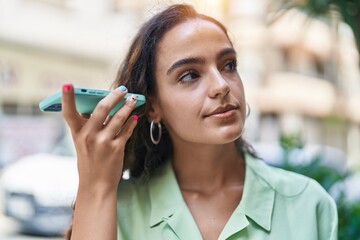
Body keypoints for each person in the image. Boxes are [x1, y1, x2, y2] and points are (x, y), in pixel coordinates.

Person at [62, 4, 338, 240]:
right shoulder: (115, 207)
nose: (221, 86)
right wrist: (94, 185)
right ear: (154, 106)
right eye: (190, 75)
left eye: (228, 65)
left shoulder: (308, 203)